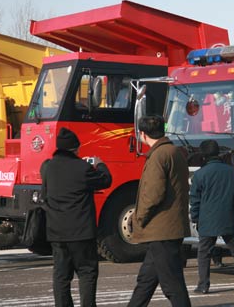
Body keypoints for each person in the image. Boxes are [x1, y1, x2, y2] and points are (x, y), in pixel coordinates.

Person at [40, 127, 112, 307]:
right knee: (87, 274)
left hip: (56, 232)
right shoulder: (83, 167)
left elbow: (45, 193)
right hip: (81, 233)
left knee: (61, 277)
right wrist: (99, 163)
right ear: (74, 149)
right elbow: (106, 180)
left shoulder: (48, 168)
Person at [128, 115, 191, 307]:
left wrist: (139, 217)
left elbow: (153, 193)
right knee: (146, 280)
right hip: (169, 227)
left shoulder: (158, 156)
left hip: (161, 229)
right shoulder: (174, 151)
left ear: (142, 134)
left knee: (172, 284)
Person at [190, 139, 234, 294]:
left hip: (207, 218)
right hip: (228, 216)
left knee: (204, 252)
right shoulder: (232, 172)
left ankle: (203, 285)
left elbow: (195, 200)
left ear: (203, 155)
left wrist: (195, 218)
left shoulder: (199, 174)